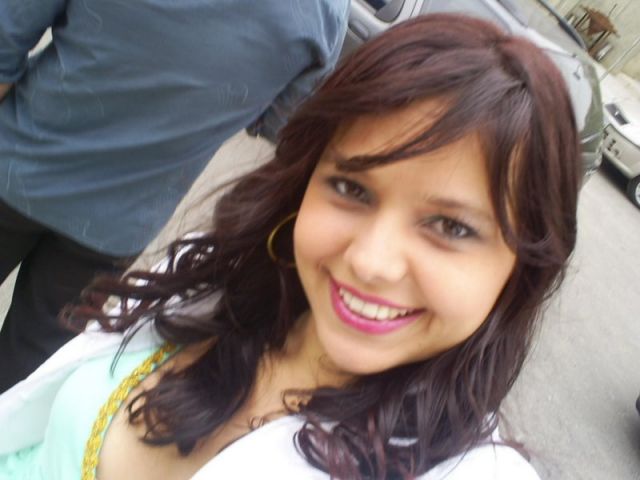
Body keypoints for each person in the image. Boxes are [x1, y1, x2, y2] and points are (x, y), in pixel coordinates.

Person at [0, 14, 580, 479]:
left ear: (522, 267)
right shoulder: (210, 283)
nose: (369, 262)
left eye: (452, 227)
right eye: (351, 188)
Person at [0, 0, 349, 391]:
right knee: (28, 364)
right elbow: (282, 125)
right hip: (117, 228)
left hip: (15, 166)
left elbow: (6, 35)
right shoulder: (323, 16)